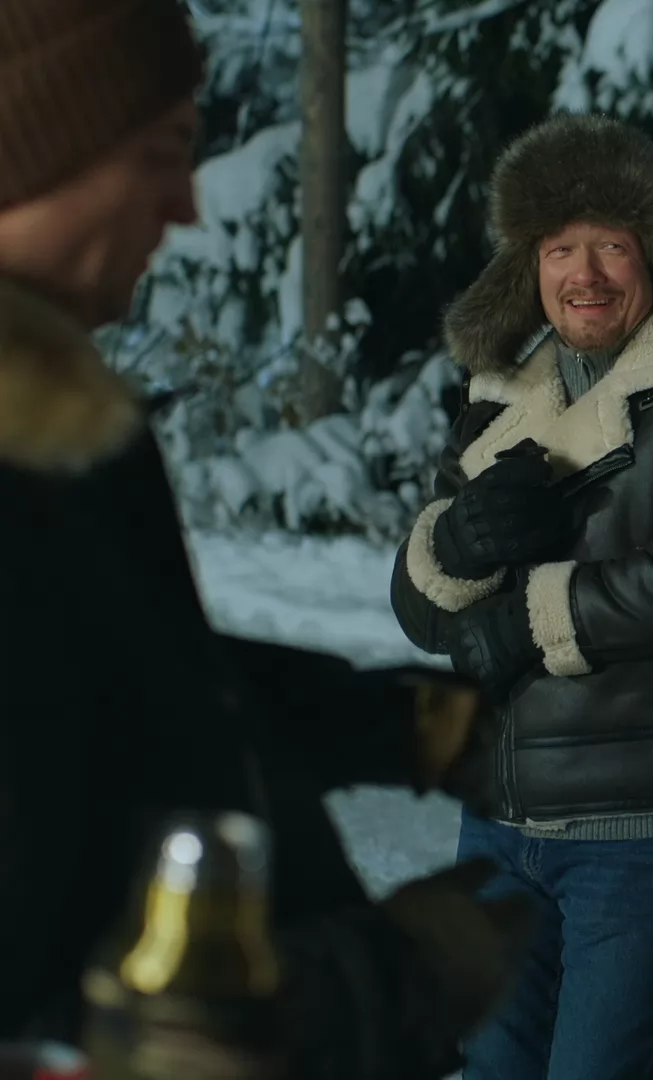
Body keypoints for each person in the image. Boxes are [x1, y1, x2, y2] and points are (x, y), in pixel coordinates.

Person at [0, 1, 533, 1076]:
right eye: (161, 153)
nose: (185, 204)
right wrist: (383, 986)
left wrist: (400, 727)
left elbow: (124, 682)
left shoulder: (57, 429)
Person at [389, 112, 653, 1079]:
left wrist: (530, 617)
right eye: (559, 248)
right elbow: (421, 613)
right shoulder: (499, 401)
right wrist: (458, 544)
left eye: (611, 245)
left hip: (644, 815)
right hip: (498, 815)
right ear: (529, 268)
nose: (586, 274)